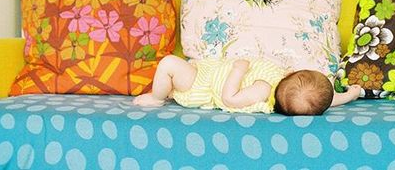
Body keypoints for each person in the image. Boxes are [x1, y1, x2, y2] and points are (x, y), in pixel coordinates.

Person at [133, 55, 361, 115]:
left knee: (169, 63)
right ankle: (168, 90)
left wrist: (238, 70)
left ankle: (156, 98)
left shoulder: (262, 89)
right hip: (207, 70)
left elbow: (229, 99)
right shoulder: (305, 98)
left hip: (201, 85)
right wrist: (350, 95)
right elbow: (326, 101)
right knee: (173, 69)